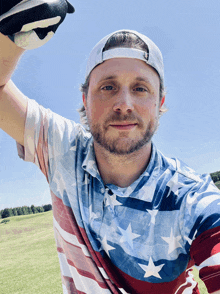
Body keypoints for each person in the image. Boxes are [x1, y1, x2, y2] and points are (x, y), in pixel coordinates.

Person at [0, 1, 220, 294]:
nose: (124, 104)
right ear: (85, 100)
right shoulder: (62, 149)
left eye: (141, 88)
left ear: (160, 103)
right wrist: (11, 34)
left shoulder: (194, 198)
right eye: (108, 87)